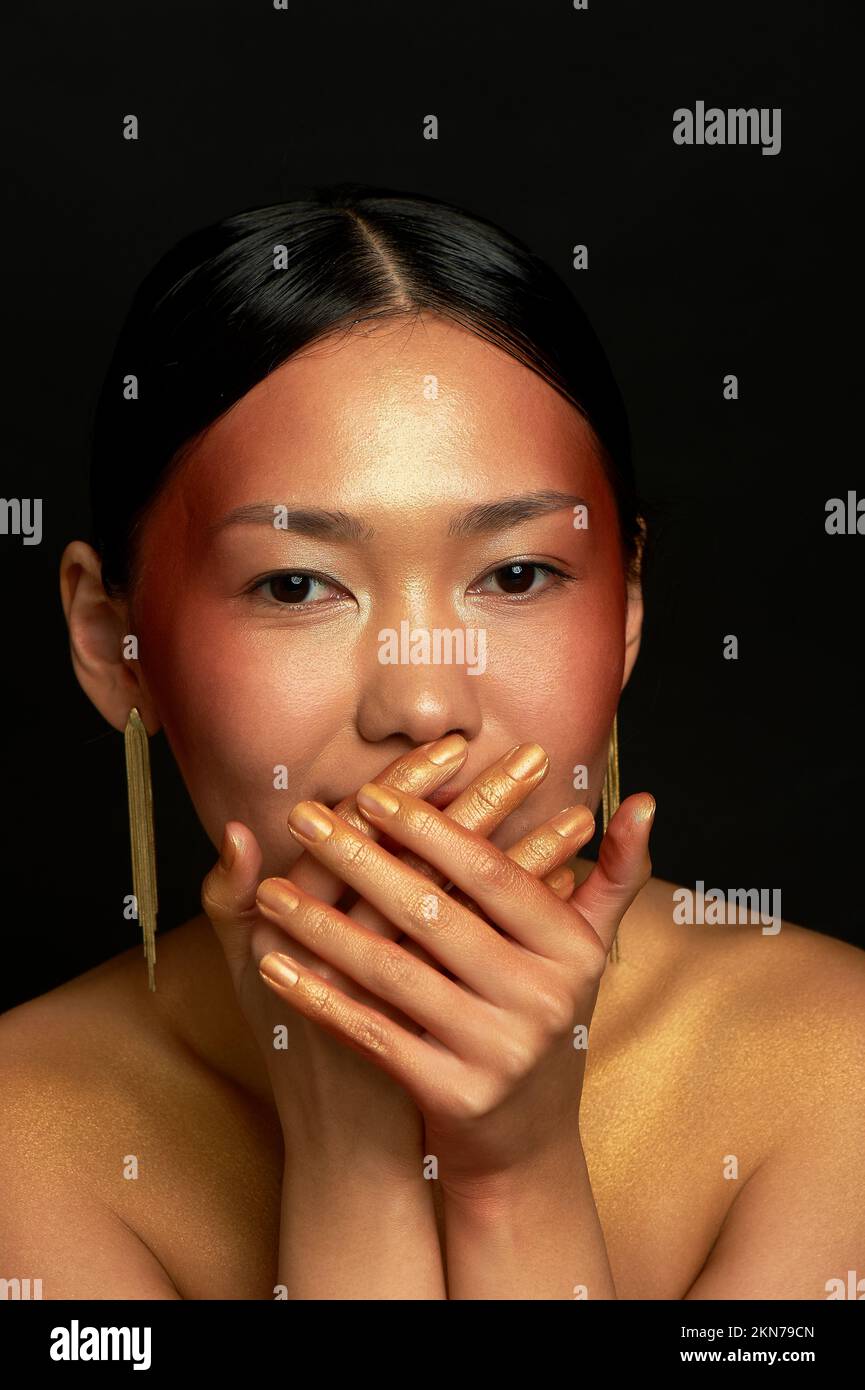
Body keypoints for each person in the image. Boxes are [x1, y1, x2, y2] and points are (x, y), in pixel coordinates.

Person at [2, 184, 862, 1300]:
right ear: (114, 639)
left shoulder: (838, 1076)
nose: (419, 703)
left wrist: (517, 1178)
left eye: (516, 574)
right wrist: (354, 1167)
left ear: (628, 613)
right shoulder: (28, 1137)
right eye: (297, 583)